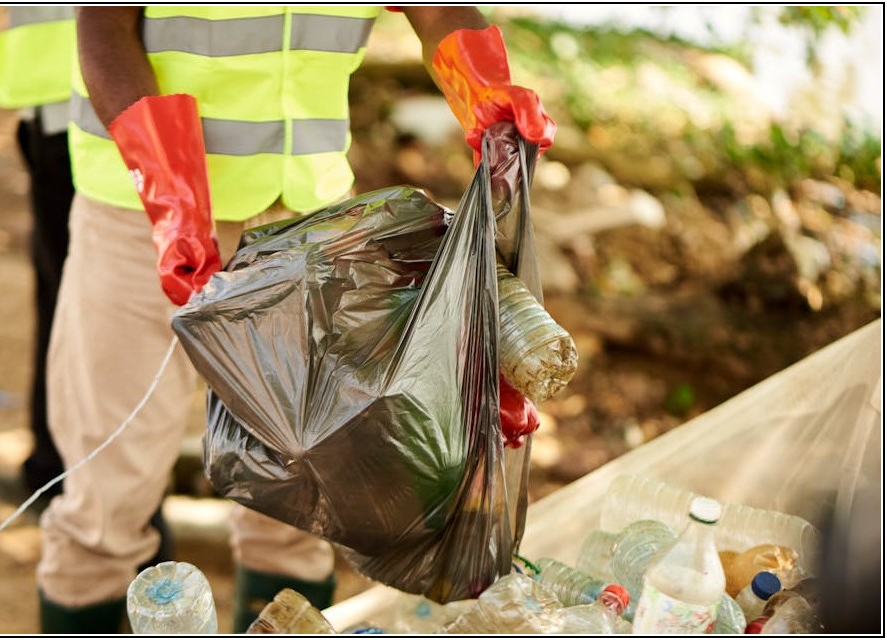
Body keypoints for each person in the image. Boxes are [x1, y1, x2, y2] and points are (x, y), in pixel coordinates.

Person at [38, 5, 555, 634]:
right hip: (141, 208)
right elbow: (103, 22)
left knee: (306, 504)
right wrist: (169, 189)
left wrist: (485, 88)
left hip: (311, 229)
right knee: (105, 506)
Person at [0, 5, 172, 556]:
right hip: (79, 111)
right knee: (76, 317)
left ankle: (134, 529)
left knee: (110, 342)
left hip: (107, 122)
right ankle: (59, 475)